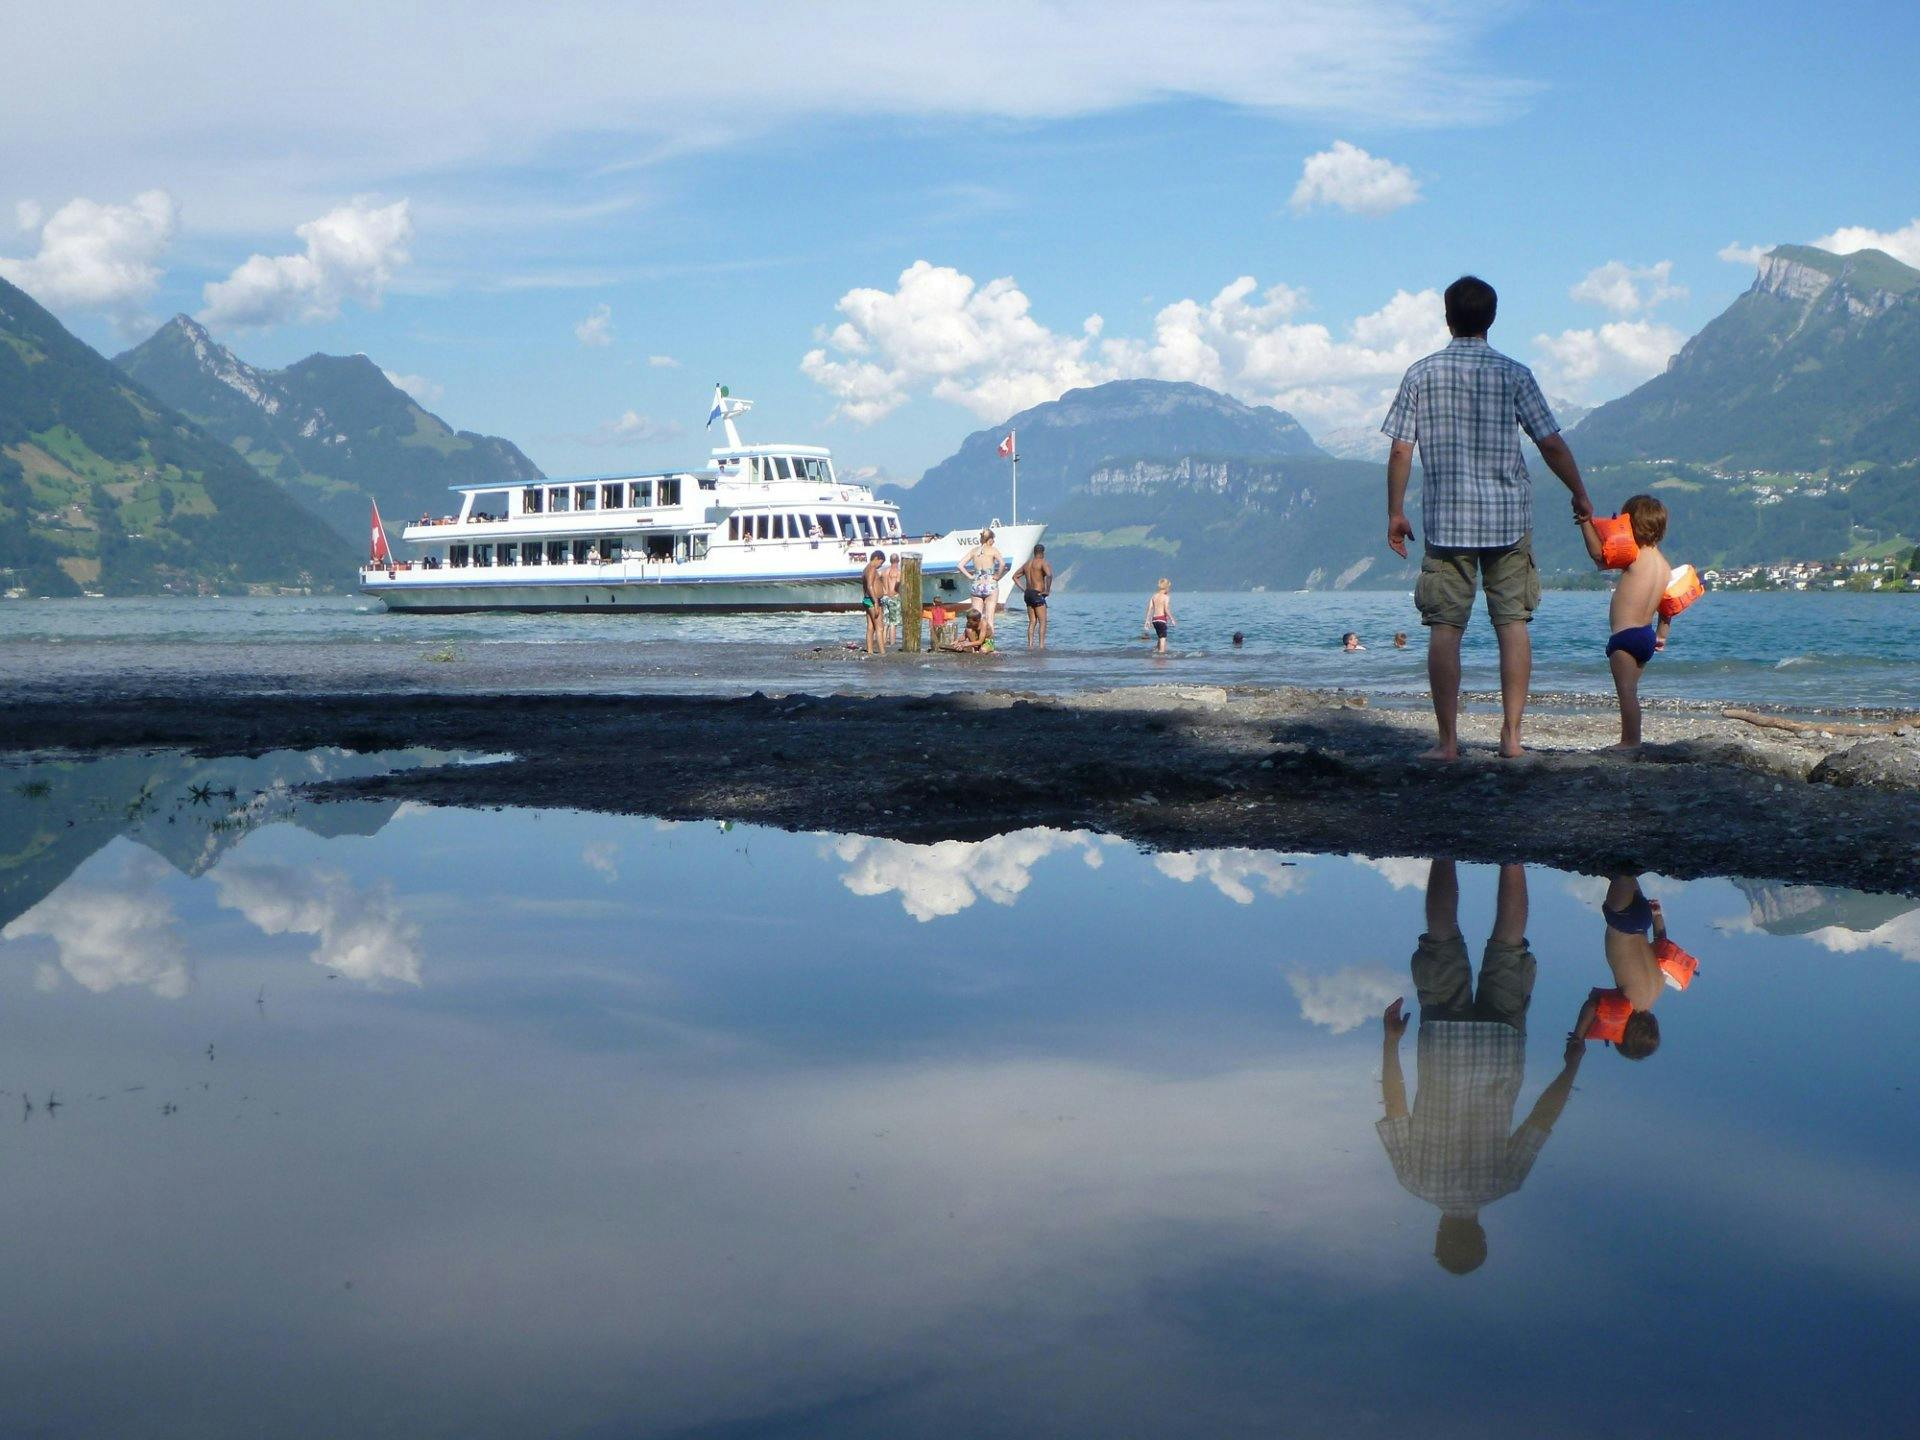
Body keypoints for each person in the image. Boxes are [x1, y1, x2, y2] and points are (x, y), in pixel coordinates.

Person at [1383, 275, 1594, 760]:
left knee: (1445, 627)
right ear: (1492, 319)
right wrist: (1580, 492)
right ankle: (1512, 738)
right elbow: (1550, 442)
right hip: (1507, 517)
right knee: (1513, 623)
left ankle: (1448, 742)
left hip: (1447, 519)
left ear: (1447, 317)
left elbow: (1400, 450)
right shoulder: (1515, 374)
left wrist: (1396, 512)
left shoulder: (1420, 374)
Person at [1378, 859, 1583, 1275]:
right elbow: (1395, 1107)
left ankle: (1512, 856)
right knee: (1441, 941)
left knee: (1509, 946)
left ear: (1481, 1235)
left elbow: (1542, 1120)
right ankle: (1445, 845)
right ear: (1439, 1233)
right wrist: (1391, 1043)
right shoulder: (1413, 1180)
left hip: (1500, 1048)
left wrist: (1570, 1067)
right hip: (1443, 1046)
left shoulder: (1505, 1183)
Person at [1578, 495, 1673, 751]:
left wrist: (1585, 522)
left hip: (1626, 636)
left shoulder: (1633, 555)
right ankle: (1632, 738)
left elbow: (1599, 556)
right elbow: (1667, 608)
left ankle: (1630, 741)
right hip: (1646, 636)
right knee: (1631, 690)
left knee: (1626, 691)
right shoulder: (1664, 567)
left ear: (1631, 525)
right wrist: (1662, 635)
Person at [1568, 873, 1666, 1061]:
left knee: (1628, 866)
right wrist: (1578, 1037)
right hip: (1623, 920)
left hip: (1644, 919)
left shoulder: (1657, 988)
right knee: (1619, 867)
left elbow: (1662, 942)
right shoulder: (1628, 1003)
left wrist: (1657, 915)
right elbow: (1592, 1005)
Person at [959, 529, 1005, 642]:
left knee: (975, 617)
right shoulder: (993, 550)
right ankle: (989, 645)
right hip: (990, 584)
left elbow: (960, 565)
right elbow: (1002, 564)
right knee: (990, 618)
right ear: (990, 539)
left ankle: (974, 644)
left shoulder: (974, 551)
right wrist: (998, 576)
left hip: (976, 584)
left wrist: (970, 576)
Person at [1012, 543, 1053, 649]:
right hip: (1037, 593)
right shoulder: (1043, 563)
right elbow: (1049, 575)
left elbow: (1015, 577)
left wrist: (1024, 589)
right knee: (1042, 621)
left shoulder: (1027, 564)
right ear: (1043, 553)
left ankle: (1030, 645)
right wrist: (1047, 590)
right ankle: (1041, 646)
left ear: (1034, 552)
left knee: (1032, 621)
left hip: (1028, 594)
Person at [860, 551, 886, 656]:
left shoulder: (866, 568)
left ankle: (870, 651)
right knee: (880, 627)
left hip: (868, 599)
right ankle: (882, 652)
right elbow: (870, 586)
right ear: (876, 558)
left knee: (871, 626)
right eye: (881, 562)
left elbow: (866, 587)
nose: (881, 565)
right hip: (872, 600)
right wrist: (875, 602)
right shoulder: (871, 568)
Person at [1144, 578, 1174, 654]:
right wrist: (1172, 619)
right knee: (1163, 638)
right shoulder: (1166, 597)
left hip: (1154, 620)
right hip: (1161, 620)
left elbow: (1150, 608)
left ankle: (1157, 650)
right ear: (1167, 587)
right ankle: (1161, 654)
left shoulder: (1154, 596)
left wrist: (1147, 621)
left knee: (1160, 637)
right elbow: (1166, 609)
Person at [882, 554, 904, 650]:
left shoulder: (884, 571)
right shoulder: (898, 572)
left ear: (890, 561)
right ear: (898, 560)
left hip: (884, 597)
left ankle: (882, 642)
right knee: (893, 623)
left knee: (885, 622)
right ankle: (892, 644)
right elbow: (897, 585)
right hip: (893, 597)